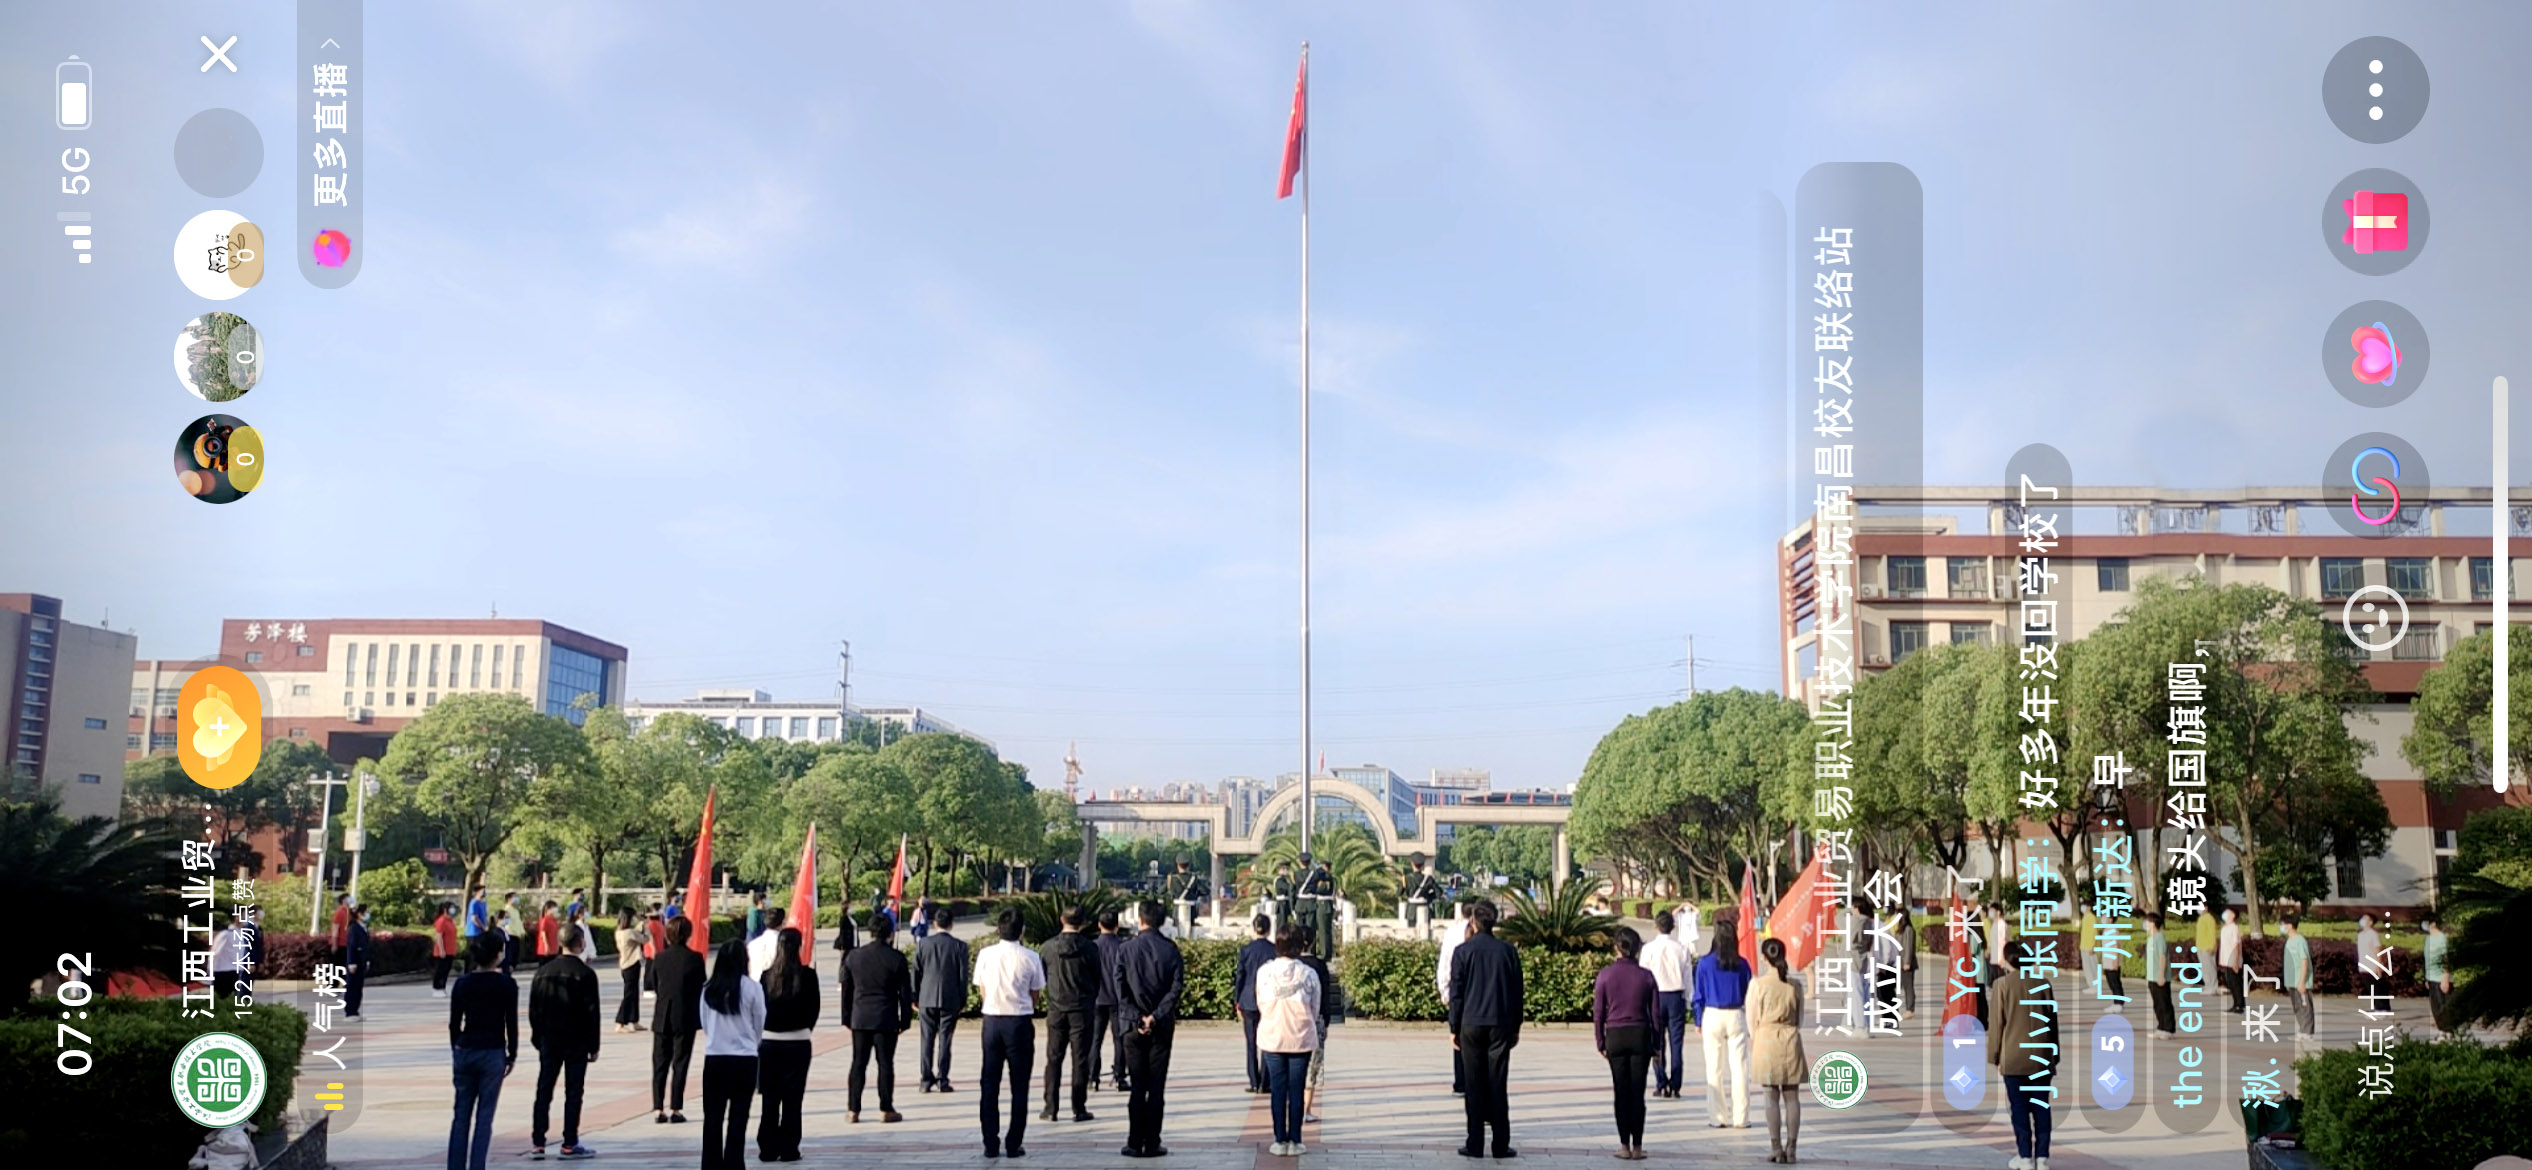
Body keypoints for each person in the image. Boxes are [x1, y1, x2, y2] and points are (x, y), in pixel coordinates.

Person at [1449, 899, 1523, 1159]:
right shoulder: (1507, 952)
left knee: (1473, 1084)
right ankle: (1501, 1144)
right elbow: (1517, 992)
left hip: (1470, 1023)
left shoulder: (1463, 951)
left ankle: (1475, 1143)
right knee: (1497, 1083)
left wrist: (1454, 1026)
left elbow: (1456, 993)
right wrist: (1516, 1026)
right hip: (1500, 1023)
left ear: (1473, 921)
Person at [975, 907, 1047, 1158]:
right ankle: (1014, 1143)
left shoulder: (985, 955)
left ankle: (990, 1142)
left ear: (998, 929)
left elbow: (982, 989)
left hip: (992, 1022)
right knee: (1020, 1085)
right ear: (1022, 931)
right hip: (1019, 1022)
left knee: (989, 1083)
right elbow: (1036, 993)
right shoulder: (1031, 957)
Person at [528, 922, 602, 1161]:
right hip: (576, 1041)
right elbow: (592, 1012)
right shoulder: (585, 974)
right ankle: (569, 1142)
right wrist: (594, 1045)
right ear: (580, 942)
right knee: (574, 1091)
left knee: (544, 1089)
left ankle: (538, 1142)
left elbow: (534, 1010)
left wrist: (537, 1037)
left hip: (549, 1039)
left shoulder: (543, 972)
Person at [1118, 900, 1185, 1158]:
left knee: (1137, 1085)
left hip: (1132, 1027)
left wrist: (1138, 1017)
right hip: (1161, 1026)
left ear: (1140, 919)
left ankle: (1134, 1142)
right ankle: (1153, 1141)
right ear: (1163, 920)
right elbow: (1175, 988)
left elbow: (1120, 989)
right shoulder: (1170, 950)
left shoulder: (1126, 949)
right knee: (1156, 1087)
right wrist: (1155, 1016)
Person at [447, 933, 517, 1170]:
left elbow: (454, 1023)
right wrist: (512, 1054)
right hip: (492, 1051)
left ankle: (455, 1166)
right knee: (484, 1117)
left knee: (461, 1115)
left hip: (466, 1048)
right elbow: (511, 1023)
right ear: (498, 955)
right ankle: (477, 1165)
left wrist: (456, 1047)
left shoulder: (462, 984)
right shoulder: (506, 984)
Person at [1988, 940, 2058, 1170]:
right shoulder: (2043, 984)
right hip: (2041, 1057)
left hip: (2014, 1058)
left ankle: (2025, 1156)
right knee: (2041, 1107)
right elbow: (2052, 1023)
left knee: (2019, 1109)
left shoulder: (2002, 985)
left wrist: (1994, 1055)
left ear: (2008, 960)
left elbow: (1997, 1024)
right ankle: (2043, 1157)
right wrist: (2054, 1053)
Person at [698, 938, 765, 1170]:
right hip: (744, 1059)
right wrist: (751, 1043)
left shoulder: (708, 989)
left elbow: (705, 1024)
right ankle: (734, 1163)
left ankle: (711, 1164)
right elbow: (760, 1022)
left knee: (713, 1117)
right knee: (739, 1116)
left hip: (715, 1057)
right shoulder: (752, 987)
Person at [1593, 926, 1658, 1161]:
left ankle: (1624, 1145)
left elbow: (1598, 1013)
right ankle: (1638, 1146)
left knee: (1621, 1092)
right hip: (1640, 1035)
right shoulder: (1646, 976)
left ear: (1616, 948)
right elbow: (1655, 1014)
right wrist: (1657, 1045)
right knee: (1637, 1093)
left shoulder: (1605, 975)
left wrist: (1600, 1041)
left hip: (1616, 1035)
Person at [841, 913, 914, 1123]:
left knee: (858, 1063)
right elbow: (905, 994)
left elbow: (847, 991)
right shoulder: (896, 958)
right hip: (886, 1017)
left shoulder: (854, 956)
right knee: (885, 1064)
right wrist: (905, 1020)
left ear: (870, 932)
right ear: (890, 933)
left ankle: (853, 1109)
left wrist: (846, 1017)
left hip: (860, 1018)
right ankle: (886, 1108)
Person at [1257, 924, 1322, 1157]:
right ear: (1299, 946)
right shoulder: (1309, 974)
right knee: (1296, 1089)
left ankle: (1279, 1139)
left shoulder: (1264, 972)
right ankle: (1295, 1139)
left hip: (1273, 1036)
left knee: (1278, 1089)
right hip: (1300, 1038)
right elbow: (1315, 1009)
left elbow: (1260, 1002)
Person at [757, 926, 820, 1163]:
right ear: (799, 947)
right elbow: (814, 1009)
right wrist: (805, 1028)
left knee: (770, 1098)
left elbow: (760, 1009)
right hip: (798, 1042)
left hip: (769, 1042)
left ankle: (767, 1148)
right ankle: (789, 1148)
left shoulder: (766, 976)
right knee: (793, 1099)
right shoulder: (808, 975)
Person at [1040, 905, 1102, 1122]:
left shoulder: (1048, 948)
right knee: (1080, 1059)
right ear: (1083, 922)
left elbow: (1042, 977)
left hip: (1056, 1008)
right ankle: (1079, 1107)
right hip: (1081, 1009)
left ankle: (1050, 1107)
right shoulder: (1090, 948)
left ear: (1061, 919)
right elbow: (1097, 978)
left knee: (1053, 1058)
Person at [1692, 918, 1752, 1130]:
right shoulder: (1742, 964)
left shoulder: (1705, 963)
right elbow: (1749, 993)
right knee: (1740, 1068)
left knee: (1714, 1069)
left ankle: (1717, 1117)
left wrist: (1698, 1019)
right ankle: (1741, 1117)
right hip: (1736, 1014)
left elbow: (1698, 994)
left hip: (1712, 1014)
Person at [1749, 937, 1806, 1165]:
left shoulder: (1758, 984)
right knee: (1792, 1097)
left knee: (1770, 1096)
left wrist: (1757, 1038)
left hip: (1766, 1039)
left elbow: (1752, 1019)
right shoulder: (1795, 985)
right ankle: (1792, 1148)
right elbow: (1800, 1018)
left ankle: (1776, 1147)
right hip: (1790, 1038)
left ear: (1765, 958)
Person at [905, 904, 966, 1097]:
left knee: (926, 1040)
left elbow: (916, 972)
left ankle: (925, 1080)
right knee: (945, 1040)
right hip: (950, 998)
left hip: (926, 998)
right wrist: (962, 1000)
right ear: (951, 924)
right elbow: (963, 976)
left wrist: (914, 996)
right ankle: (942, 1079)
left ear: (934, 923)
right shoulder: (959, 946)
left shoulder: (923, 944)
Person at [650, 916, 705, 1124]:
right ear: (688, 934)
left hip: (662, 1015)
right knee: (680, 1063)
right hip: (685, 1016)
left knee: (659, 1063)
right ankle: (676, 1107)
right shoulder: (695, 958)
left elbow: (653, 983)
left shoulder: (659, 958)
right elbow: (700, 985)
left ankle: (658, 1108)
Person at [1640, 910, 1692, 1100]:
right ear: (1673, 927)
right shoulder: (1682, 948)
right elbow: (1688, 977)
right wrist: (1688, 1000)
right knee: (1676, 1044)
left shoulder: (1648, 949)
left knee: (1657, 1042)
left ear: (1656, 926)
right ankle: (1676, 1084)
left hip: (1655, 997)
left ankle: (1661, 1082)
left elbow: (1643, 977)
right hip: (1676, 996)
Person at [1234, 914, 1278, 1094]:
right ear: (1269, 929)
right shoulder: (1274, 950)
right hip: (1268, 1000)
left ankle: (1253, 1080)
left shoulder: (1246, 950)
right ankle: (1265, 1082)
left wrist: (1237, 999)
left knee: (1251, 1042)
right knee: (1267, 1042)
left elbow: (1240, 976)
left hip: (1248, 1000)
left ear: (1254, 928)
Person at [1437, 910, 1473, 1095]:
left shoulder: (1452, 934)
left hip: (1460, 995)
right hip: (1481, 999)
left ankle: (1461, 1082)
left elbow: (1445, 964)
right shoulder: (1501, 947)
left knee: (1459, 1037)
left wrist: (1444, 991)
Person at [1094, 908, 1129, 1093]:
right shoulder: (1124, 947)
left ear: (1099, 925)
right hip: (1118, 999)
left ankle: (1092, 1077)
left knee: (1095, 1040)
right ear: (1117, 925)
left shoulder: (1092, 947)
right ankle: (1120, 1077)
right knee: (1120, 1039)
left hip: (1097, 999)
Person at [1298, 854, 1338, 960]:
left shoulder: (1328, 878)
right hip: (1322, 904)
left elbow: (1320, 890)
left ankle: (1325, 954)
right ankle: (1324, 952)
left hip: (1324, 905)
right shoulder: (1327, 878)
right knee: (1322, 930)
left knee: (1324, 931)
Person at [2281, 916, 2314, 1039]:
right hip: (2291, 981)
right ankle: (2302, 1030)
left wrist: (2302, 981)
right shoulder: (2289, 941)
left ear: (2290, 925)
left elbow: (2304, 960)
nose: (2281, 927)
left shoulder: (2300, 941)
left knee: (2305, 1006)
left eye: (2283, 924)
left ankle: (2308, 1032)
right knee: (2297, 1007)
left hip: (2301, 981)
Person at [2143, 912, 2175, 1035]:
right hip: (2151, 977)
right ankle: (2161, 1027)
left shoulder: (2160, 938)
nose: (2145, 924)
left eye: (2147, 921)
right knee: (2157, 1004)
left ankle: (2168, 1029)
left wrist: (2161, 975)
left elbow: (2162, 957)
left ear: (2153, 923)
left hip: (2160, 977)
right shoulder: (2150, 939)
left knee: (2164, 1003)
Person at [615, 906, 646, 1032]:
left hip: (625, 964)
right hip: (631, 964)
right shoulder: (629, 933)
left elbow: (636, 934)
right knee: (629, 994)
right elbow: (644, 939)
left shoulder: (619, 932)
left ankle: (634, 1020)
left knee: (633, 992)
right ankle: (620, 1022)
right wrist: (643, 923)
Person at [2422, 915, 2451, 1036]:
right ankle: (2441, 1031)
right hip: (2431, 978)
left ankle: (2447, 1032)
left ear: (2433, 923)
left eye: (2426, 922)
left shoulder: (2442, 938)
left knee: (2442, 1007)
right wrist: (2426, 978)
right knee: (2435, 1008)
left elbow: (2446, 958)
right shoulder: (2428, 938)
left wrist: (2446, 977)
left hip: (2440, 978)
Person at [1404, 853, 1443, 934]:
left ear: (1412, 864)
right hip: (1425, 907)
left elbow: (1399, 893)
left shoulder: (1406, 879)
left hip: (1411, 910)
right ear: (1423, 865)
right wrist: (1428, 898)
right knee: (1425, 931)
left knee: (1411, 933)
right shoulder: (1428, 879)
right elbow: (1439, 893)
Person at [345, 904, 372, 1018]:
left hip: (361, 961)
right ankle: (350, 1012)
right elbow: (351, 946)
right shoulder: (354, 928)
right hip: (354, 962)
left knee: (358, 987)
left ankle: (355, 1011)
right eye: (366, 912)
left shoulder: (363, 927)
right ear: (359, 914)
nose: (368, 914)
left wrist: (367, 960)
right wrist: (351, 963)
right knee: (352, 987)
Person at [748, 907, 789, 982]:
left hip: (754, 983)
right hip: (776, 984)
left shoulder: (752, 944)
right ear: (783, 922)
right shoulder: (784, 944)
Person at [2217, 908, 2244, 1015]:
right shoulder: (2225, 928)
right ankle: (2236, 1003)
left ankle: (2239, 1005)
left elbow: (2236, 945)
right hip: (2226, 960)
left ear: (2233, 915)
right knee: (2231, 983)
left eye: (2228, 912)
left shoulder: (2234, 928)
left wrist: (2236, 961)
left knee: (2236, 983)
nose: (2225, 914)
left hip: (2233, 960)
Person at [1894, 905, 1920, 1018]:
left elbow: (1909, 947)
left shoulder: (1908, 929)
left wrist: (1907, 962)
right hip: (1898, 962)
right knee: (1898, 985)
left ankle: (1910, 1009)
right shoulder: (1899, 929)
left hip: (1906, 963)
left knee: (1908, 986)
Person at [432, 902, 461, 998]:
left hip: (450, 950)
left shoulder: (451, 921)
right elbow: (439, 936)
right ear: (445, 910)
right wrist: (441, 950)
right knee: (440, 970)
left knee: (446, 970)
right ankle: (436, 988)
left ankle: (442, 988)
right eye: (451, 908)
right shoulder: (441, 921)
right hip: (442, 951)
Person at [331, 892, 353, 963]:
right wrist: (334, 944)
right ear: (343, 900)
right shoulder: (339, 912)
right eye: (348, 898)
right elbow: (335, 929)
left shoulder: (349, 912)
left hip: (348, 944)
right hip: (341, 944)